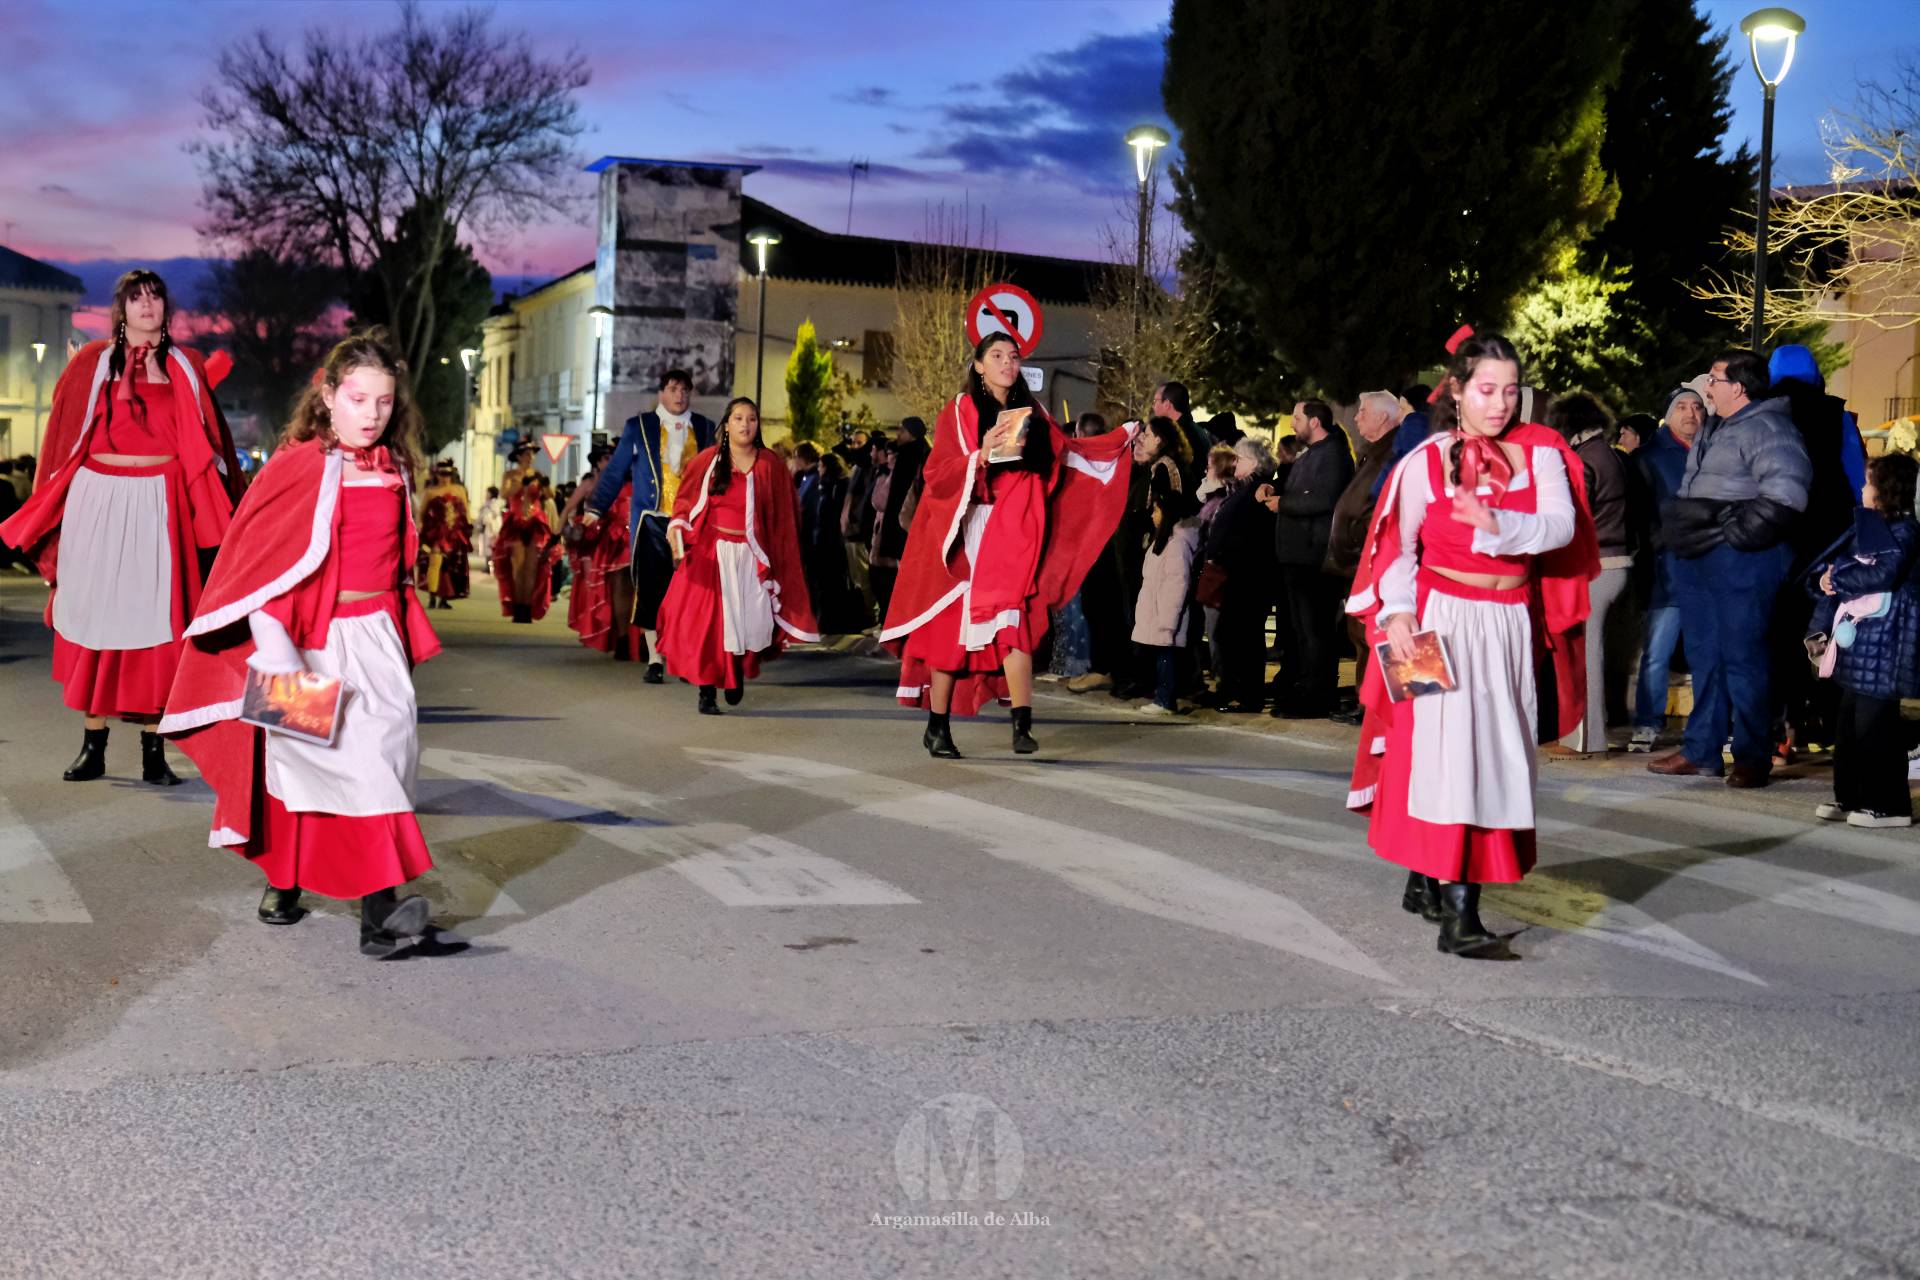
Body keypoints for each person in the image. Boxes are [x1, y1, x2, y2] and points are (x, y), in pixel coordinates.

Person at [158, 331, 451, 957]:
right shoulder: (297, 463)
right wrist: (278, 657)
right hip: (299, 643)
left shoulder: (394, 466)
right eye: (358, 398)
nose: (371, 414)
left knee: (383, 763)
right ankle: (321, 895)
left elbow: (396, 564)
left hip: (376, 640)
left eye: (383, 402)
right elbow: (257, 566)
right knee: (296, 769)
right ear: (328, 396)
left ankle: (358, 905)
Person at [1345, 334, 1599, 958]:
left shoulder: (1539, 452)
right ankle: (1457, 912)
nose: (1500, 404)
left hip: (1505, 619)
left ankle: (1426, 877)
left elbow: (1561, 527)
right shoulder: (1423, 461)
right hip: (1433, 621)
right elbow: (1397, 548)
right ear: (1457, 390)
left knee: (1491, 750)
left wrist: (1500, 525)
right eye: (1487, 389)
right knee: (1427, 751)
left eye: (1511, 391)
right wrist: (1398, 613)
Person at [0, 268, 241, 786]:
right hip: (99, 499)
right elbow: (64, 435)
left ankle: (154, 753)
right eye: (137, 297)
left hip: (162, 501)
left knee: (158, 630)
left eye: (156, 296)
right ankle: (93, 746)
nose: (147, 305)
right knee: (98, 624)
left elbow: (211, 441)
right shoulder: (91, 362)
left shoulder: (184, 364)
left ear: (165, 308)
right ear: (122, 308)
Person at [882, 332, 1136, 757]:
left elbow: (1065, 454)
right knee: (953, 635)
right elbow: (939, 472)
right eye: (996, 356)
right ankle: (938, 725)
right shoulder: (960, 410)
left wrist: (1117, 441)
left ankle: (1022, 725)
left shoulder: (1032, 412)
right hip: (967, 529)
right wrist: (978, 456)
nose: (1007, 363)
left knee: (1012, 625)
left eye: (1013, 356)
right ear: (979, 365)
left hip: (1014, 531)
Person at [1649, 349, 1810, 787]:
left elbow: (1787, 495)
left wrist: (1733, 534)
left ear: (1739, 387)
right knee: (1707, 659)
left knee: (1744, 660)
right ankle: (1702, 750)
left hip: (1743, 562)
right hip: (1703, 560)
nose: (1708, 388)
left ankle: (1752, 755)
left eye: (1715, 380)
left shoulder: (1768, 426)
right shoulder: (1716, 427)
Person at [654, 397, 818, 714]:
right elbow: (686, 503)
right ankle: (706, 691)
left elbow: (784, 518)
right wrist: (678, 533)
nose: (745, 424)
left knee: (749, 623)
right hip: (711, 556)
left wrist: (782, 558)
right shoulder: (707, 461)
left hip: (754, 556)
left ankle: (735, 671)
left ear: (758, 425)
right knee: (711, 625)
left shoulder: (771, 465)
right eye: (739, 418)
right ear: (727, 424)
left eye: (752, 419)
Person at [1808, 452, 1920, 828]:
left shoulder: (1904, 532)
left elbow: (1884, 572)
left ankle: (1891, 805)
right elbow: (1839, 563)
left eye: (1869, 482)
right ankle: (1851, 796)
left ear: (1886, 490)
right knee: (1849, 724)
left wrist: (1837, 578)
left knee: (1877, 727)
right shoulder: (1873, 527)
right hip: (1863, 643)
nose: (1862, 487)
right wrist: (1827, 579)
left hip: (1887, 642)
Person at [584, 369, 717, 683]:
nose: (679, 396)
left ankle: (684, 657)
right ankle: (655, 658)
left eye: (685, 390)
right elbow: (616, 470)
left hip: (690, 524)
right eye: (673, 389)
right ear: (662, 393)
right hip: (651, 520)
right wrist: (596, 507)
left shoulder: (706, 427)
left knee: (688, 592)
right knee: (650, 590)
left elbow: (715, 474)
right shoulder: (639, 426)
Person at [1543, 391, 1631, 757]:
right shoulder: (1608, 454)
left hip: (1598, 565)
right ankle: (1585, 735)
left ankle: (1586, 739)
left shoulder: (1585, 460)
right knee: (1593, 652)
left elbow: (1575, 517)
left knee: (1585, 655)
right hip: (1618, 562)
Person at [1260, 399, 1355, 717]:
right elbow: (1296, 488)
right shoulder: (1313, 453)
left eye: (1298, 418)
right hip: (1297, 555)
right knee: (1302, 631)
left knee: (1315, 632)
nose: (1292, 424)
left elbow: (1325, 498)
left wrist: (1283, 504)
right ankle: (1304, 688)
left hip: (1313, 557)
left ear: (1315, 422)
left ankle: (1317, 695)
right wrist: (1273, 489)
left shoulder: (1332, 454)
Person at [1627, 386, 1704, 751]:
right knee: (1657, 651)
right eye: (1683, 407)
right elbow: (1640, 517)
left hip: (1706, 569)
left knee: (1706, 650)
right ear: (1668, 413)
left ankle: (1705, 723)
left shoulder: (1712, 452)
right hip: (1667, 570)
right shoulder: (1648, 457)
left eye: (1698, 406)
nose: (1691, 413)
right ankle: (1647, 721)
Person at [1327, 390, 1406, 720]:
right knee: (1365, 635)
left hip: (1388, 566)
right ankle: (1373, 707)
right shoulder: (1375, 454)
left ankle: (1391, 709)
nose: (1356, 418)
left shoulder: (1397, 456)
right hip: (1375, 565)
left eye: (1363, 412)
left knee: (1389, 638)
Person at [1201, 436, 1278, 712]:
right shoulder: (1244, 488)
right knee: (1232, 634)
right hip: (1238, 574)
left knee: (1242, 636)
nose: (1235, 462)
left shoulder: (1258, 489)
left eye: (1240, 458)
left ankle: (1245, 695)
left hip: (1247, 576)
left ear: (1254, 463)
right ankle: (1234, 690)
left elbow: (1250, 532)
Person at [1132, 459, 1202, 715]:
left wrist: (1168, 621)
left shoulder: (1176, 545)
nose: (1152, 514)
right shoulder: (1161, 542)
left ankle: (1165, 699)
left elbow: (1177, 584)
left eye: (1157, 510)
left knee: (1166, 661)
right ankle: (1161, 696)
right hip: (1156, 615)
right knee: (1160, 660)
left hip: (1165, 619)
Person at [493, 464, 561, 624]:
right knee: (518, 567)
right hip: (516, 522)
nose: (529, 456)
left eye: (531, 453)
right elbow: (504, 494)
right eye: (525, 453)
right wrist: (521, 484)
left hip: (535, 523)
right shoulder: (510, 474)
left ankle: (527, 608)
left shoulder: (538, 474)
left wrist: (543, 484)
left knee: (531, 568)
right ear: (518, 456)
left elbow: (550, 495)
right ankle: (517, 607)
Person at [417, 459, 471, 609]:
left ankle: (445, 597)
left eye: (447, 474)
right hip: (436, 533)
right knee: (435, 561)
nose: (445, 477)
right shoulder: (431, 492)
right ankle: (433, 595)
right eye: (442, 474)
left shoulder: (459, 490)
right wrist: (419, 528)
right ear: (437, 475)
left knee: (451, 565)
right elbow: (421, 513)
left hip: (455, 533)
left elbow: (466, 510)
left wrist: (468, 527)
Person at [1150, 381, 1207, 488]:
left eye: (1155, 401)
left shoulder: (1180, 435)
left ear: (1166, 404)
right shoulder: (1196, 430)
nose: (1153, 406)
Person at [473, 485, 502, 564]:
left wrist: (486, 519)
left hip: (491, 529)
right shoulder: (487, 503)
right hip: (486, 528)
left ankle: (491, 565)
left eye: (487, 493)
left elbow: (494, 514)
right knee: (486, 547)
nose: (486, 494)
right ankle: (488, 564)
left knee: (490, 547)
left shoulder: (494, 503)